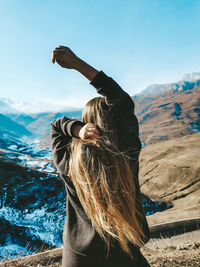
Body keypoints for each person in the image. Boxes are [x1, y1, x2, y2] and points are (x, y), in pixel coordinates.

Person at [50, 46, 150, 267]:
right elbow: (121, 100)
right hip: (125, 253)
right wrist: (77, 63)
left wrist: (77, 129)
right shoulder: (126, 151)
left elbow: (56, 127)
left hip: (78, 258)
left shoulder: (71, 160)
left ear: (88, 121)